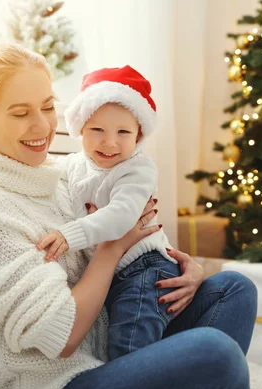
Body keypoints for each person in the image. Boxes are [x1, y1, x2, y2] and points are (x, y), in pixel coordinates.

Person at [0, 42, 257, 389]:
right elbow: (62, 338)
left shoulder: (62, 177)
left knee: (233, 289)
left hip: (100, 359)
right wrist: (113, 246)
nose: (41, 126)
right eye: (21, 113)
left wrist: (181, 268)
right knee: (215, 353)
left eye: (48, 107)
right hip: (52, 382)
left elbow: (129, 222)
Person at [37, 65, 187, 360]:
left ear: (138, 135)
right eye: (97, 130)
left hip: (145, 268)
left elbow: (122, 217)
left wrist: (70, 234)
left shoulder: (138, 169)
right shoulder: (74, 164)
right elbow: (43, 172)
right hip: (111, 270)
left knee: (129, 344)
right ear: (80, 129)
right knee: (112, 341)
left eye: (123, 132)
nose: (110, 142)